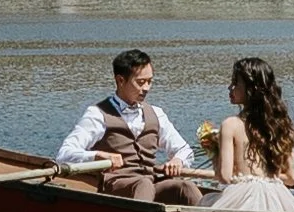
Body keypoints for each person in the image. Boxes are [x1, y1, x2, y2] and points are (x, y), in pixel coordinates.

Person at [57, 48, 201, 200]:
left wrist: (178, 160)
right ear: (120, 80)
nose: (146, 88)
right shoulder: (97, 114)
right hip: (115, 188)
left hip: (150, 184)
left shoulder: (157, 114)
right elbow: (64, 154)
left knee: (186, 187)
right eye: (140, 82)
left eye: (149, 82)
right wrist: (98, 156)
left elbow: (185, 150)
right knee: (143, 184)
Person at [204, 57, 294, 212]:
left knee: (205, 202)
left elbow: (225, 177)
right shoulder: (282, 126)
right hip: (279, 200)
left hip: (242, 199)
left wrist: (214, 153)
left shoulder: (230, 125)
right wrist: (266, 180)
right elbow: (291, 178)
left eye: (235, 83)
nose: (230, 87)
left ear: (251, 89)